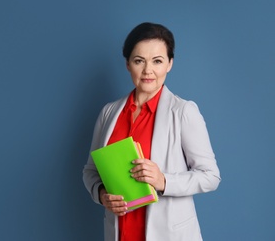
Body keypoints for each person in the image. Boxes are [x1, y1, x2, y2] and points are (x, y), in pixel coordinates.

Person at [82, 22, 221, 241]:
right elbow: (90, 171)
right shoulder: (109, 113)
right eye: (139, 61)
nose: (148, 70)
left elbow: (211, 176)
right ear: (128, 64)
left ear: (170, 64)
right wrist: (101, 195)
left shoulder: (184, 112)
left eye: (157, 61)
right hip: (120, 232)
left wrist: (163, 181)